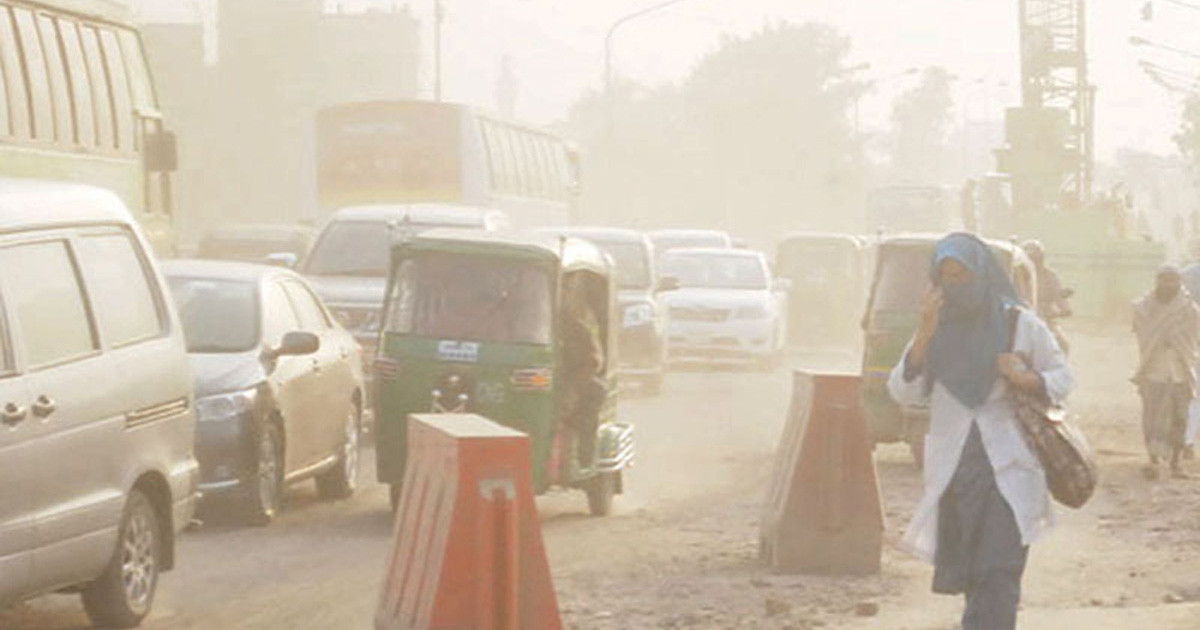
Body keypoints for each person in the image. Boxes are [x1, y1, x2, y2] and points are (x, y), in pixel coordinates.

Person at [888, 233, 1073, 630]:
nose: (957, 285)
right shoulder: (935, 328)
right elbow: (901, 389)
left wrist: (1026, 378)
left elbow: (1062, 376)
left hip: (1010, 466)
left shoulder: (1018, 323)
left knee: (998, 569)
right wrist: (923, 333)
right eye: (948, 277)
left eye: (964, 274)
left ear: (983, 274)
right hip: (957, 473)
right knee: (971, 571)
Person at [1132, 265, 1199, 479]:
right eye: (1165, 280)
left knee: (1180, 417)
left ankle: (1175, 462)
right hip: (1153, 369)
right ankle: (1153, 459)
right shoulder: (1142, 308)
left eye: (1173, 281)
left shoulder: (1190, 310)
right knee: (1152, 416)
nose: (1169, 286)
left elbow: (1193, 339)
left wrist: (1178, 342)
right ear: (1157, 281)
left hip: (1181, 369)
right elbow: (1143, 337)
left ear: (1180, 283)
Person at [559, 275, 606, 465]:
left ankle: (585, 457)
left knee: (595, 393)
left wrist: (572, 391)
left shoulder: (575, 328)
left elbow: (593, 361)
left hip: (572, 382)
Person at [1021, 240, 1072, 354]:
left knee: (1063, 345)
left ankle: (1058, 371)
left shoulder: (1050, 275)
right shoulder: (1017, 274)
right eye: (1030, 259)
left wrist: (1065, 309)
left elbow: (1059, 296)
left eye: (1036, 258)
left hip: (1046, 318)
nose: (1033, 262)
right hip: (1021, 317)